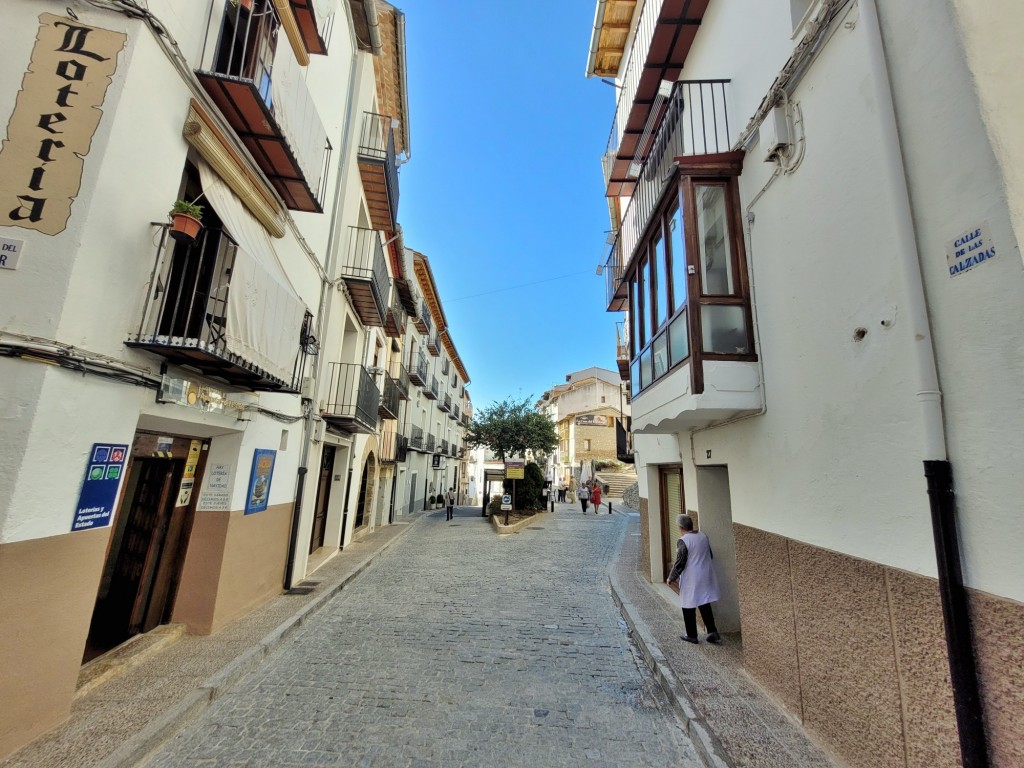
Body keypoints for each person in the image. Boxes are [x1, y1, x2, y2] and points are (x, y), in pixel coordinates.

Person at [666, 514, 721, 644]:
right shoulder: (703, 536)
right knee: (704, 601)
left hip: (692, 576)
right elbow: (710, 554)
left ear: (680, 527)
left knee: (688, 604)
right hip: (706, 574)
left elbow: (680, 562)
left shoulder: (683, 541)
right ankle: (712, 631)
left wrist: (671, 577)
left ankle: (691, 635)